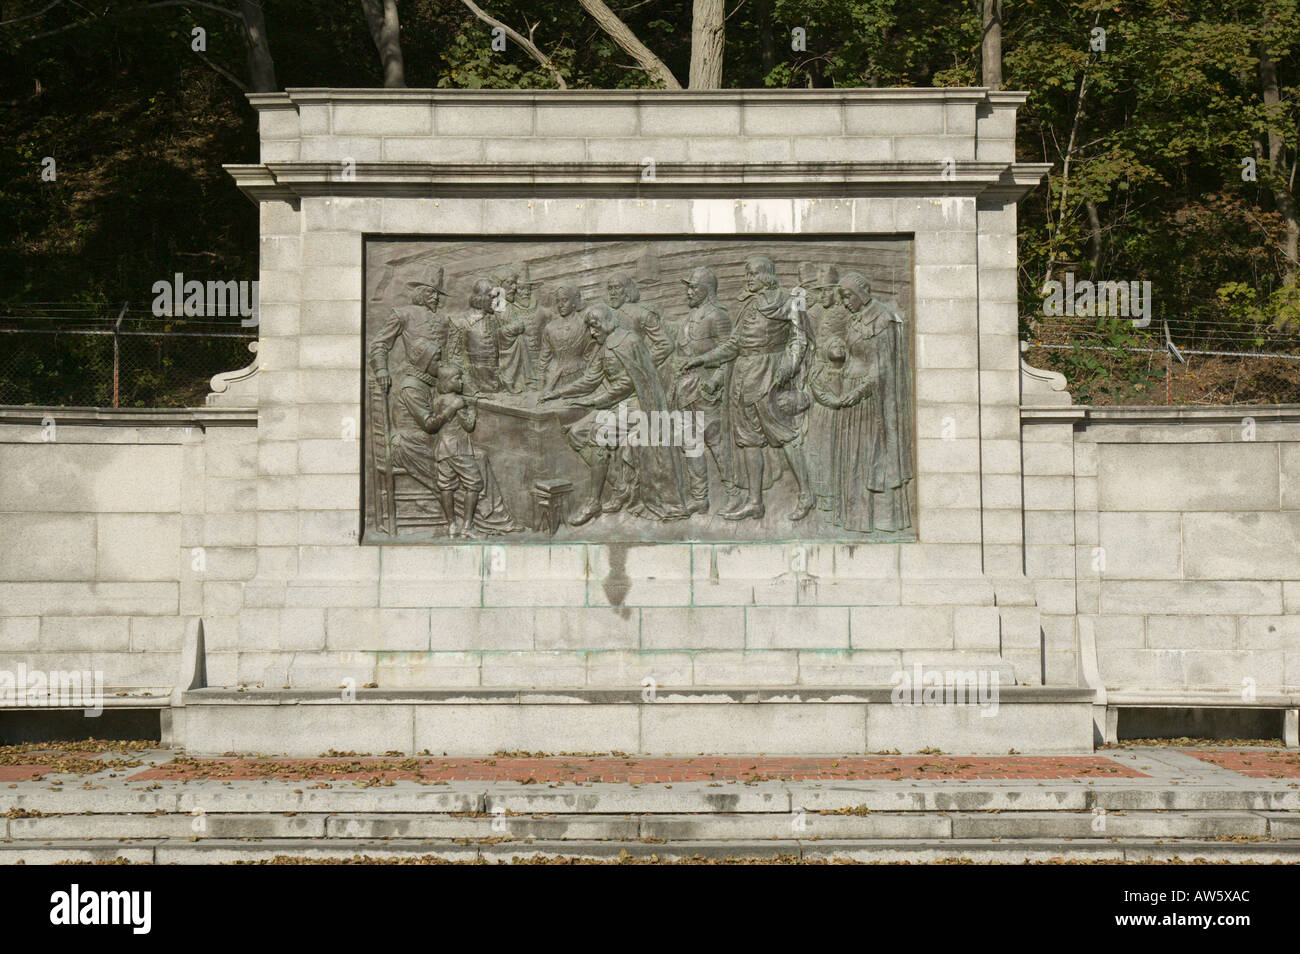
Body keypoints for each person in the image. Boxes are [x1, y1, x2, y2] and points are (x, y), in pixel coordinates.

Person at [682, 256, 815, 522]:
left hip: (769, 374)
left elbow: (800, 340)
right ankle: (755, 502)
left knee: (785, 436)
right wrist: (702, 359)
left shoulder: (791, 302)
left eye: (753, 274)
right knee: (749, 441)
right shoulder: (750, 305)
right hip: (743, 377)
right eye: (746, 274)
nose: (748, 279)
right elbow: (734, 344)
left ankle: (806, 495)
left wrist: (786, 368)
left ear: (767, 274)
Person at [541, 303, 689, 526]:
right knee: (576, 433)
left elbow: (628, 383)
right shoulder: (605, 345)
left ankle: (593, 501)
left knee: (596, 434)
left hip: (639, 406)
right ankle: (620, 488)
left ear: (605, 323)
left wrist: (595, 401)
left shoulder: (630, 341)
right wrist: (557, 393)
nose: (591, 332)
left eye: (594, 327)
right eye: (589, 328)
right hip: (618, 404)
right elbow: (591, 379)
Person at [807, 271, 914, 533]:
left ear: (860, 293)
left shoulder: (883, 319)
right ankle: (853, 518)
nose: (844, 303)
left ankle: (877, 519)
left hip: (869, 404)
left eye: (846, 297)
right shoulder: (857, 319)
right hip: (851, 399)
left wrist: (854, 394)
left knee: (867, 460)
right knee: (852, 461)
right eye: (842, 297)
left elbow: (882, 369)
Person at [389, 350, 522, 537]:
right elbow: (429, 424)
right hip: (412, 445)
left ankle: (472, 521)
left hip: (434, 443)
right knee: (479, 462)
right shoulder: (412, 388)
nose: (439, 363)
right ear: (424, 362)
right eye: (436, 359)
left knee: (455, 477)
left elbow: (446, 399)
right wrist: (456, 408)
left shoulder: (426, 384)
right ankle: (490, 519)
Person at [669, 266, 736, 514]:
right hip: (685, 388)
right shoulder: (689, 317)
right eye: (688, 286)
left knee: (716, 441)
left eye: (694, 287)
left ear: (706, 291)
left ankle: (733, 493)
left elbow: (729, 353)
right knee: (690, 443)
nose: (688, 291)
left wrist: (716, 382)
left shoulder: (717, 315)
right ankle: (700, 498)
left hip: (706, 388)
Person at [368, 265, 454, 392]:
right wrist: (381, 370)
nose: (436, 297)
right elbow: (380, 343)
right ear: (419, 292)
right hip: (414, 382)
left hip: (445, 383)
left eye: (438, 293)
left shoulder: (445, 318)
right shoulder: (404, 314)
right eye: (430, 292)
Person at [536, 284, 594, 392]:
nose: (560, 305)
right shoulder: (550, 327)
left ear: (573, 302)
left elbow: (590, 353)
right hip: (552, 377)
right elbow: (544, 356)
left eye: (565, 300)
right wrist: (541, 378)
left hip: (577, 376)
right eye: (558, 301)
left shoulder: (584, 325)